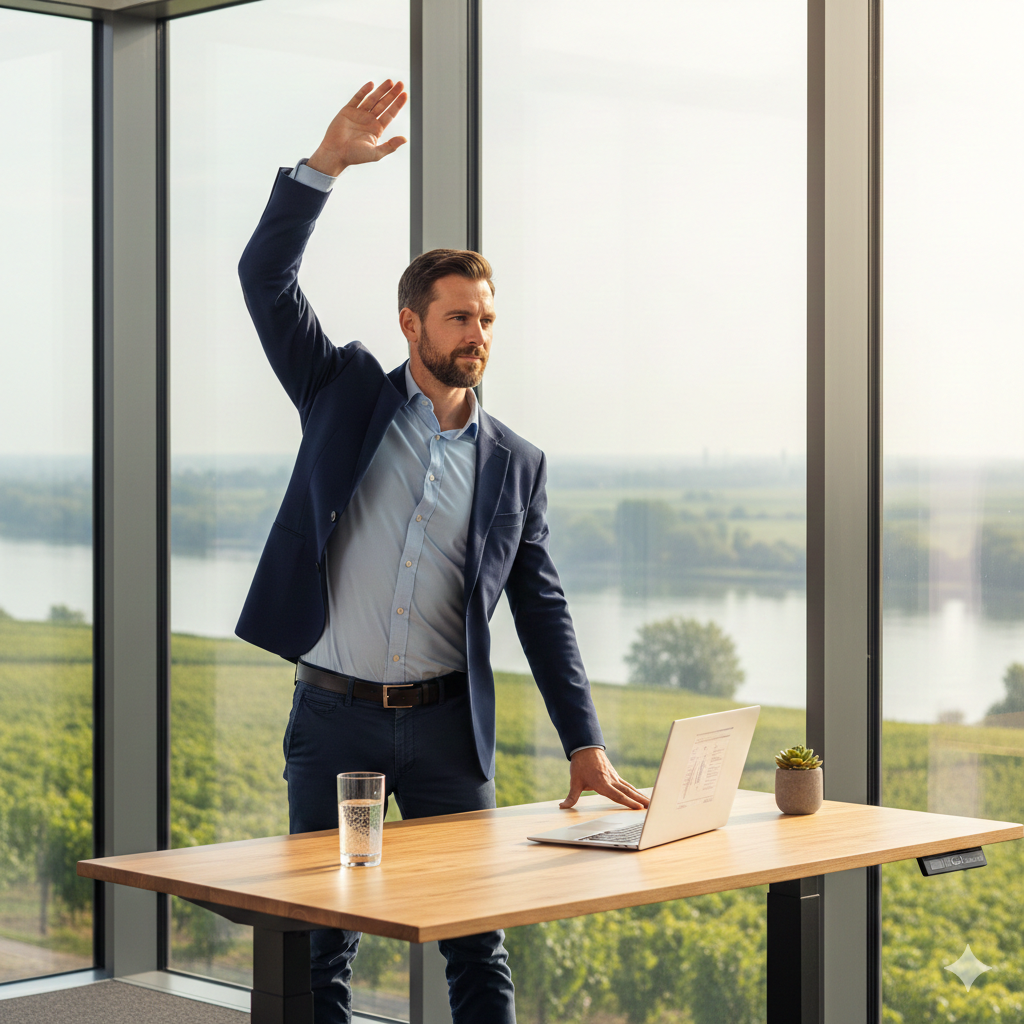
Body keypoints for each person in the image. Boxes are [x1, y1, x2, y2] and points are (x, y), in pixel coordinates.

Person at [235, 79, 649, 1024]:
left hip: (448, 735)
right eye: (459, 317)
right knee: (318, 948)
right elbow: (266, 280)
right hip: (334, 719)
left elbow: (541, 609)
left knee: (477, 948)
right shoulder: (340, 393)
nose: (477, 335)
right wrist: (325, 165)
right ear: (412, 324)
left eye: (488, 319)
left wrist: (582, 743)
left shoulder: (516, 463)